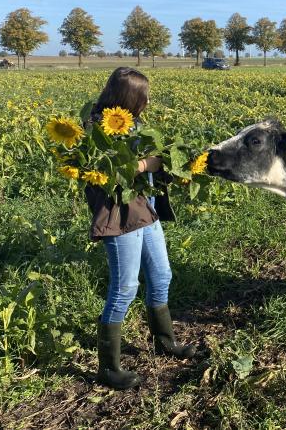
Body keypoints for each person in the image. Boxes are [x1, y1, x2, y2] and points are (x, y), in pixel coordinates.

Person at [85, 67, 194, 390]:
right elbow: (109, 170)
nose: (147, 101)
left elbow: (146, 164)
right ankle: (109, 369)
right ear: (128, 98)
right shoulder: (95, 128)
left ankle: (165, 342)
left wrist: (173, 165)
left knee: (162, 276)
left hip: (145, 210)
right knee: (125, 288)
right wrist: (149, 164)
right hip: (120, 215)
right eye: (143, 96)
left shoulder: (133, 123)